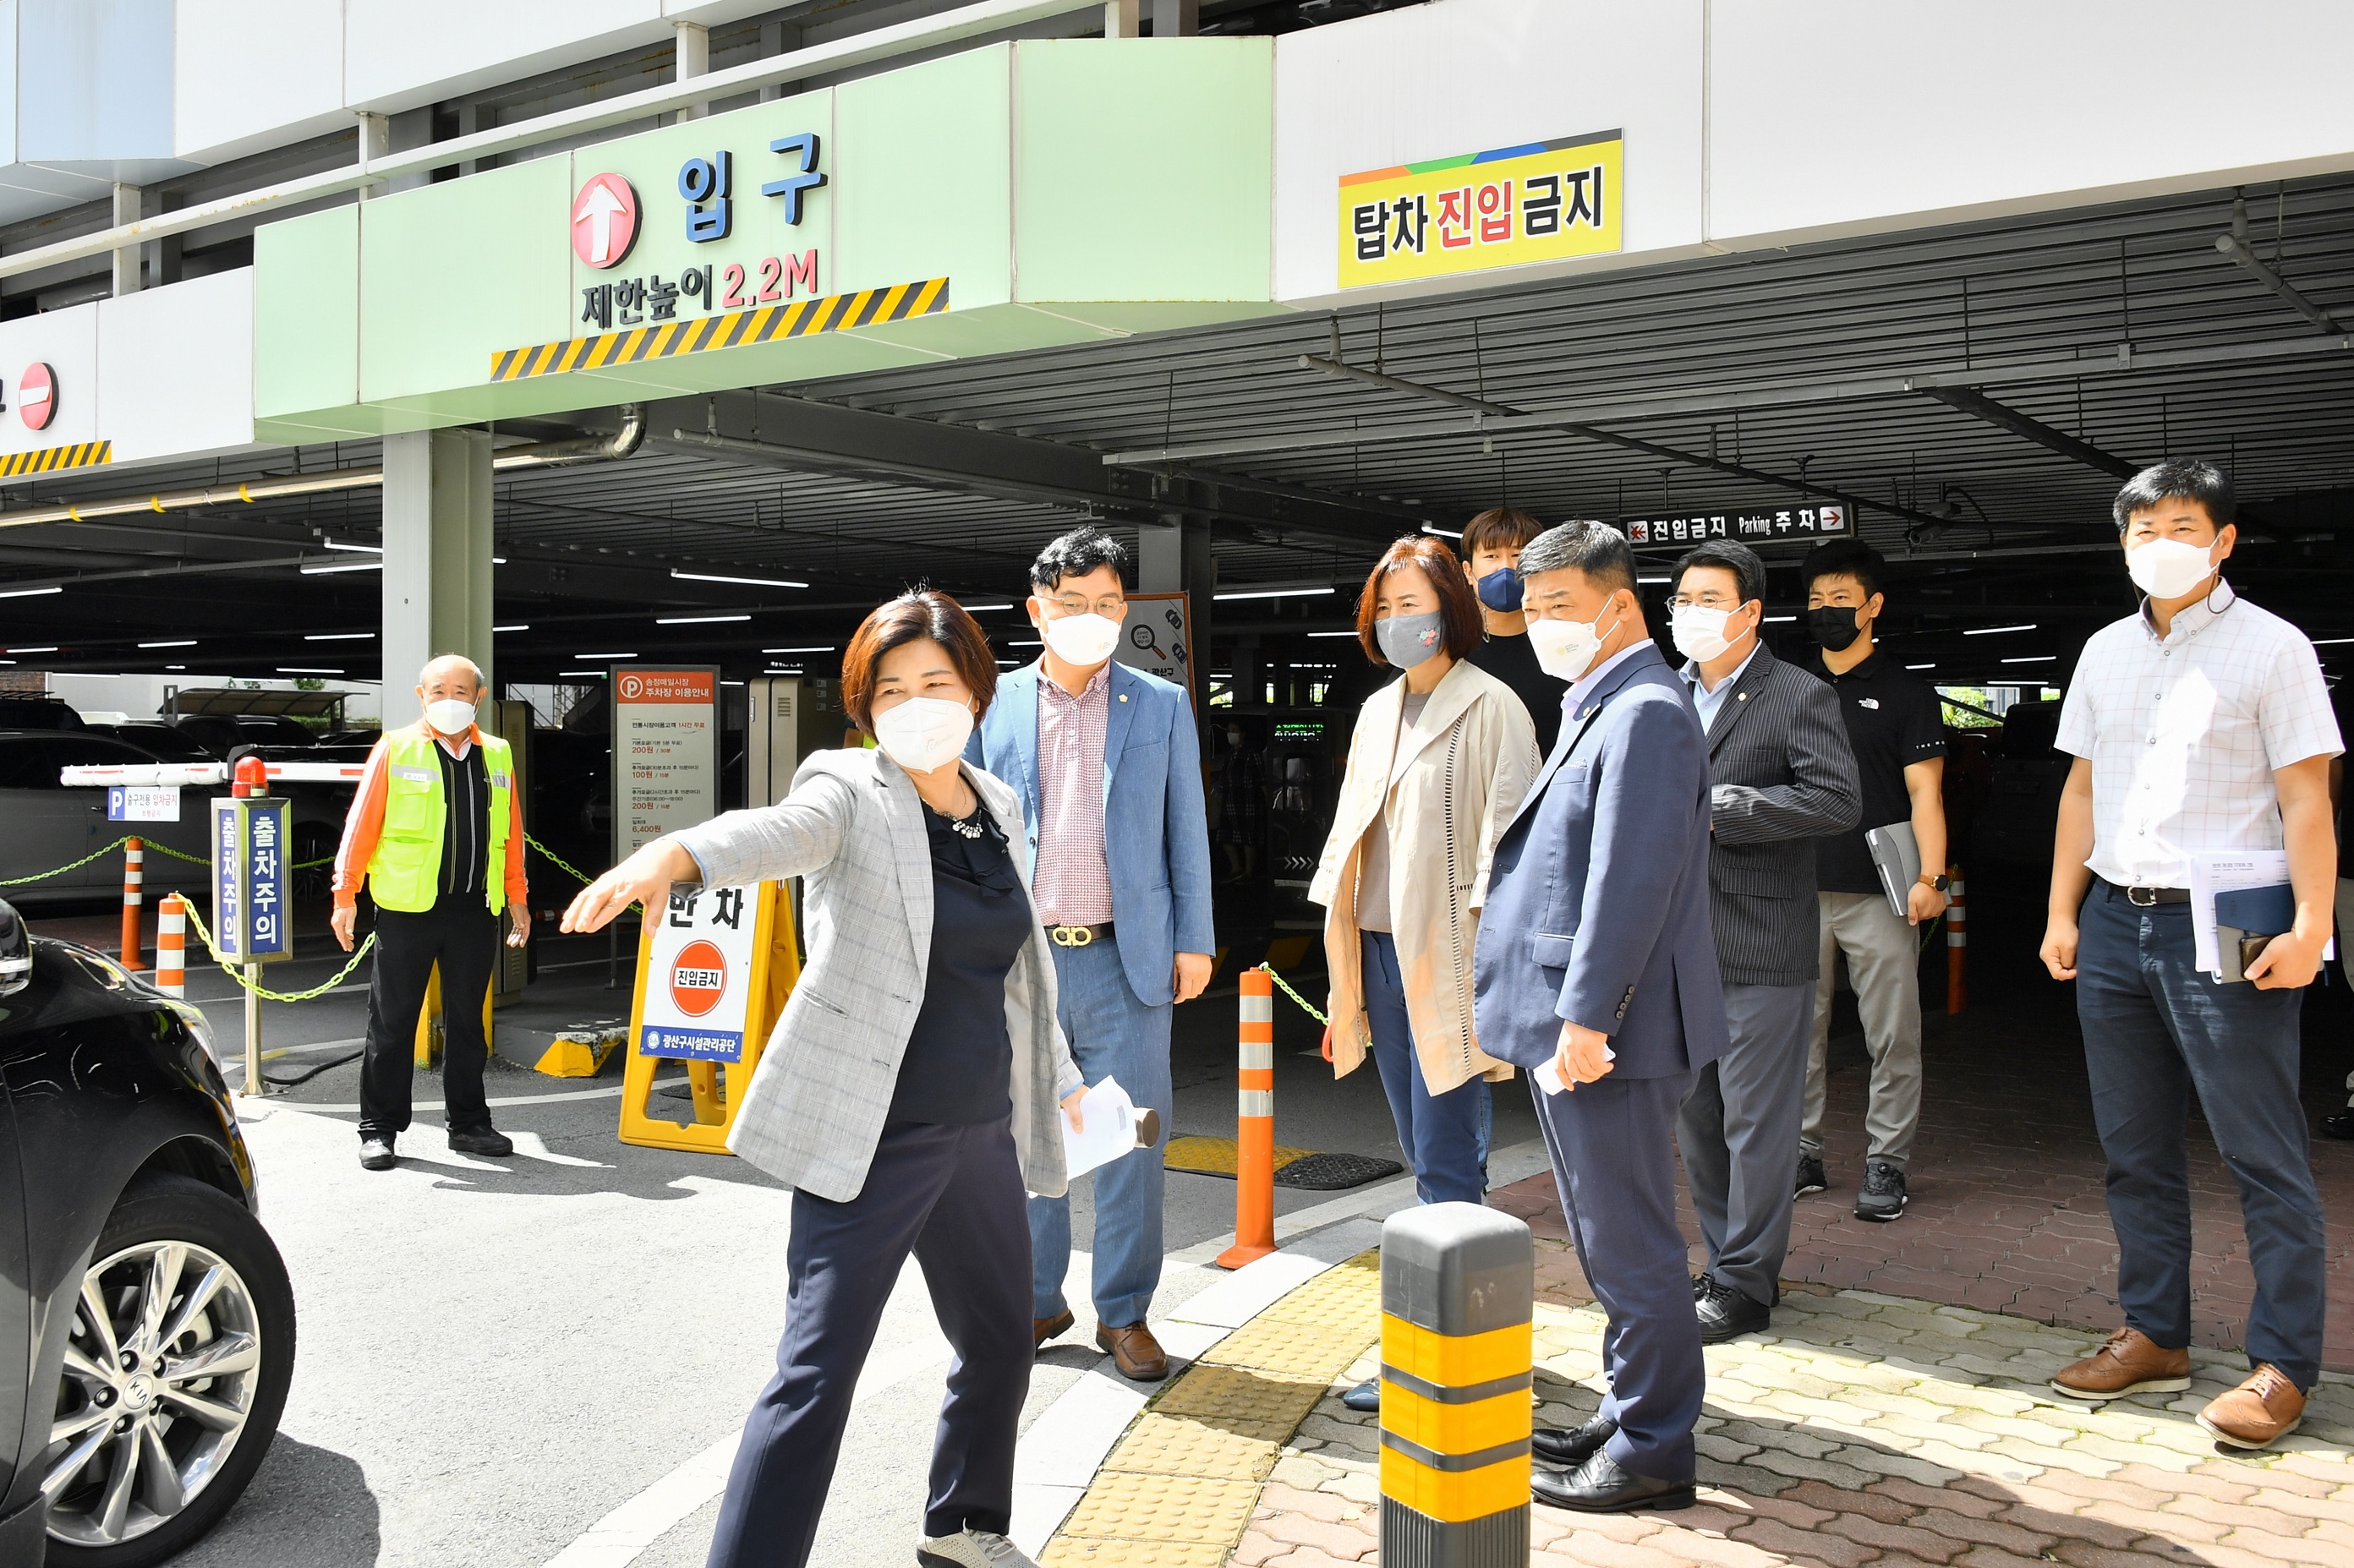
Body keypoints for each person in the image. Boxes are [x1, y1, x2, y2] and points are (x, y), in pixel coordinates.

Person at [562, 590, 1088, 1568]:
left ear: (975, 686)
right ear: (865, 703)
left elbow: (1020, 973)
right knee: (817, 1373)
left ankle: (964, 1524)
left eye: (936, 680)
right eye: (893, 687)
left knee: (1002, 1343)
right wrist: (675, 856)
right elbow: (774, 831)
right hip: (874, 1134)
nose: (918, 700)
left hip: (979, 1133)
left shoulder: (999, 803)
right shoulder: (849, 788)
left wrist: (1059, 1078)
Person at [2039, 459, 2340, 1451]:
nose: (2159, 544)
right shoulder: (2103, 652)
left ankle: (2285, 1363)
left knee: (2262, 1153)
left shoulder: (2273, 648)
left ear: (2222, 541)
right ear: (2123, 544)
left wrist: (2310, 927)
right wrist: (2063, 912)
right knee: (2134, 1148)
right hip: (2118, 921)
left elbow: (2307, 797)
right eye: (2142, 529)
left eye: (2181, 526)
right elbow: (2081, 791)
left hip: (2227, 921)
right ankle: (2155, 1332)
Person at [1474, 521, 1726, 1514]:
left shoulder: (1647, 712)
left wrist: (1587, 1018)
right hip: (1581, 1023)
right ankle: (1632, 1407)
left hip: (1606, 1030)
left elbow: (1633, 883)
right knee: (1602, 1229)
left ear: (1620, 606)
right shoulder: (1606, 701)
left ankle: (1658, 1443)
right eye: (1530, 611)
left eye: (1560, 608)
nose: (1542, 627)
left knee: (1631, 1238)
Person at [966, 526, 1214, 1384]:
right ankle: (1038, 1297)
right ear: (1038, 611)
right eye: (1074, 604)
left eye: (1109, 604)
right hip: (1018, 967)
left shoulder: (1160, 704)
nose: (1095, 618)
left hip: (1126, 961)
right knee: (1022, 1137)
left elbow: (1189, 831)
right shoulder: (985, 705)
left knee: (1133, 1139)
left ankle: (1126, 1311)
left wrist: (1195, 940)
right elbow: (958, 836)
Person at [1312, 534, 1540, 1406]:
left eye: (1415, 603)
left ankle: (1439, 1352)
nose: (1400, 620)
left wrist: (1493, 974)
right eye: (1387, 606)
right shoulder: (1377, 710)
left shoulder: (1493, 707)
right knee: (1423, 1153)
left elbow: (1512, 853)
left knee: (1448, 1161)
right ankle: (1463, 1334)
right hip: (1373, 955)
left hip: (1446, 960)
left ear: (1454, 605)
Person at [1669, 540, 1859, 1342]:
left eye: (1708, 599)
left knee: (1757, 1123)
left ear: (1749, 612)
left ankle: (1747, 1282)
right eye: (1681, 598)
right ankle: (1723, 1262)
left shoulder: (1797, 693)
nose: (1689, 613)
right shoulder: (1661, 694)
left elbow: (1836, 799)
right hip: (1677, 948)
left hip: (1761, 943)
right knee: (1699, 1119)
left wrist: (1726, 806)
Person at [1795, 538, 1950, 1221]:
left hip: (1883, 892)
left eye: (1841, 601)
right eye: (1816, 601)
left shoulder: (1907, 693)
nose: (1827, 613)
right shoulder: (1786, 687)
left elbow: (1927, 797)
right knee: (1797, 1030)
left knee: (1893, 1033)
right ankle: (1801, 1153)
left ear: (1873, 605)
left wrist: (1932, 877)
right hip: (1796, 889)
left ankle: (1887, 1162)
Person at [331, 653, 529, 1172]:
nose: (450, 700)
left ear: (478, 698)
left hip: (473, 908)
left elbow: (510, 836)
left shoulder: (499, 755)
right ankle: (378, 1128)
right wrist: (344, 893)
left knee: (469, 1025)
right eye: (438, 690)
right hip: (407, 909)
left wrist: (518, 899)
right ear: (421, 696)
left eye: (461, 691)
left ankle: (468, 1124)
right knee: (392, 1023)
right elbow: (361, 825)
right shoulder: (395, 748)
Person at [1459, 505, 1568, 757]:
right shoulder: (1447, 649)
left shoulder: (1562, 646)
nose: (1506, 568)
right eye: (1491, 557)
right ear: (1468, 571)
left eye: (1518, 555)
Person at [1214, 718, 1268, 883]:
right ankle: (1236, 868)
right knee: (1225, 837)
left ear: (1243, 733)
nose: (1231, 734)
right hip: (1230, 802)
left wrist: (1267, 802)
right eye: (1229, 730)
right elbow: (1224, 778)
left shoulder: (1252, 753)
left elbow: (1262, 779)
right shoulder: (1230, 754)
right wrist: (1221, 797)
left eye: (1235, 730)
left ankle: (1248, 872)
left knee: (1249, 837)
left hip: (1248, 801)